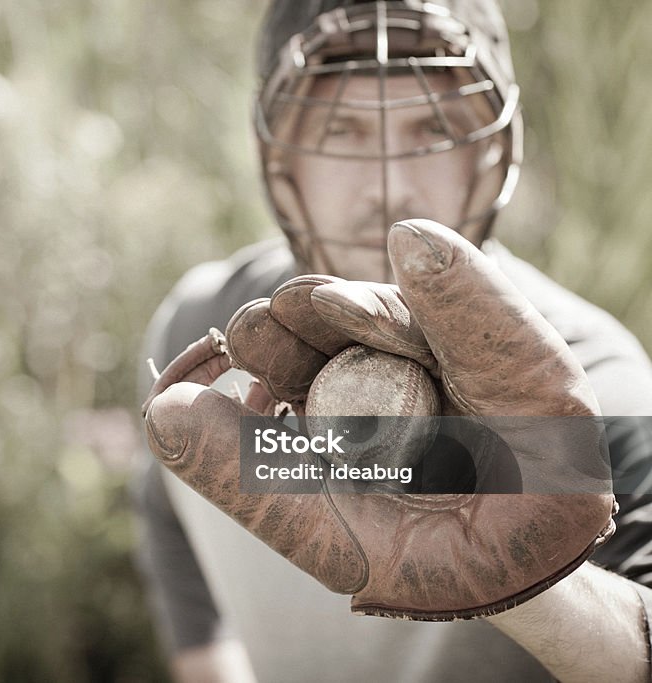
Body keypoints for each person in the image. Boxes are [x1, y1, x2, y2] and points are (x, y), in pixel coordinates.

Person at [133, 2, 652, 682]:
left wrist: (537, 586)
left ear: (492, 153)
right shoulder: (206, 331)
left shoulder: (593, 388)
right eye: (340, 130)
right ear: (278, 157)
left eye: (431, 129)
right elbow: (173, 523)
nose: (387, 185)